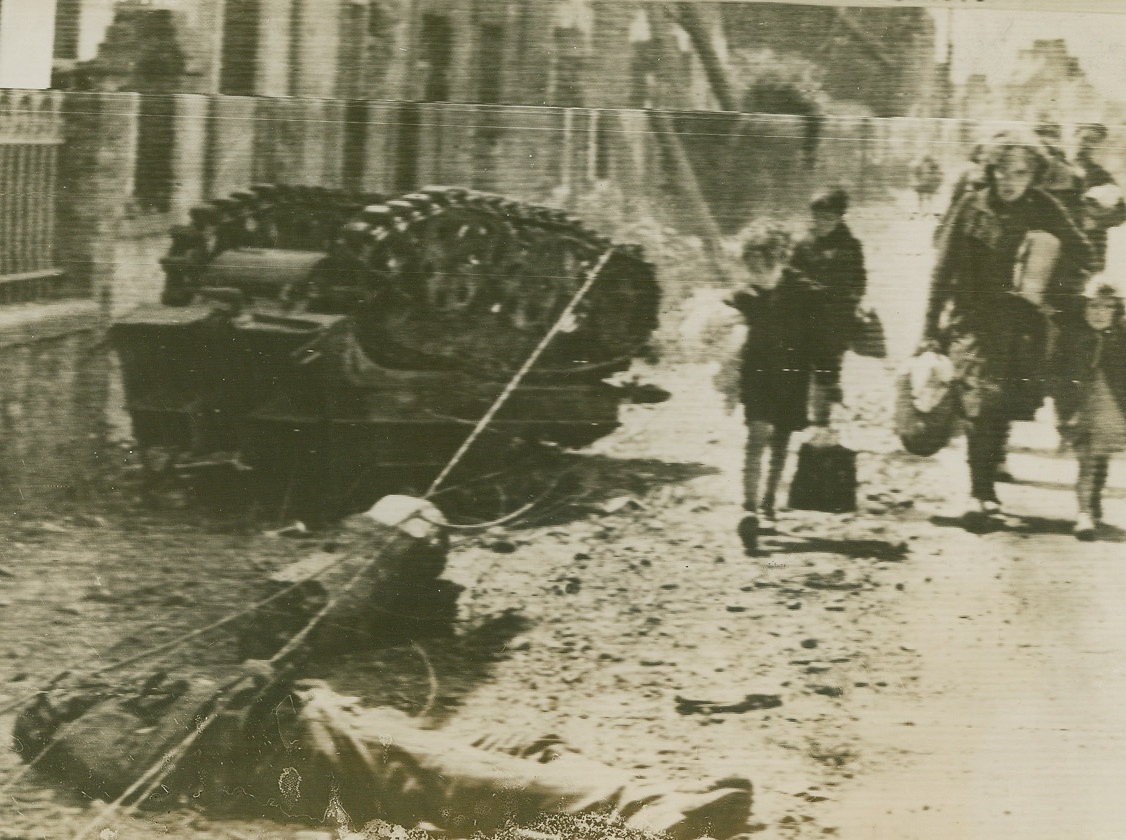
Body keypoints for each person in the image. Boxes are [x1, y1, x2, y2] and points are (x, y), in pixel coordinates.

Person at [15, 664, 753, 840]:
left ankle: (634, 804)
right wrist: (252, 690)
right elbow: (180, 765)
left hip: (331, 722)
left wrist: (254, 682)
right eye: (69, 691)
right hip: (308, 756)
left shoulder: (119, 702)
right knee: (463, 777)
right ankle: (639, 814)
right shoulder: (87, 736)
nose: (83, 683)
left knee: (524, 741)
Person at [923, 132, 1094, 523]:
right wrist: (928, 329)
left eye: (1020, 172)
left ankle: (986, 487)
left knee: (998, 404)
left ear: (1034, 174)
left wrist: (1047, 274)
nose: (1010, 180)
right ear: (991, 169)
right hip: (971, 318)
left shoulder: (1044, 206)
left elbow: (1084, 253)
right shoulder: (971, 204)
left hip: (1020, 325)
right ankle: (979, 492)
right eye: (1002, 169)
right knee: (977, 400)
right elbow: (942, 269)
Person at [729, 188, 867, 552]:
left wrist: (828, 374)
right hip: (758, 376)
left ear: (779, 261)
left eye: (764, 268)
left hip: (792, 376)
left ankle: (769, 505)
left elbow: (824, 333)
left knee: (780, 442)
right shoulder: (744, 295)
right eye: (751, 269)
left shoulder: (805, 293)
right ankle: (748, 510)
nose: (757, 276)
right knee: (756, 436)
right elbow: (724, 323)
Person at [1051, 276, 1126, 540]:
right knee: (1087, 459)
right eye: (1093, 306)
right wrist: (1063, 406)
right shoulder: (1072, 338)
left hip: (1110, 407)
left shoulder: (1121, 339)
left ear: (1117, 311)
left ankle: (1090, 505)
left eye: (1107, 307)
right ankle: (1085, 511)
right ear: (1083, 308)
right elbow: (1056, 373)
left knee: (1099, 460)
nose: (1099, 313)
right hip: (1079, 406)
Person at [1074, 122, 1126, 273]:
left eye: (1094, 141)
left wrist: (1095, 219)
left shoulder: (1102, 175)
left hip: (1091, 248)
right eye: (1085, 138)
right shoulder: (1058, 169)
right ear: (1074, 137)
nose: (1088, 144)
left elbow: (1121, 213)